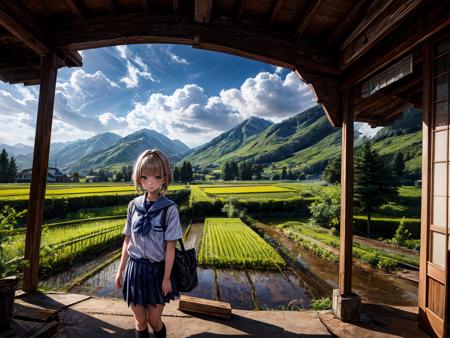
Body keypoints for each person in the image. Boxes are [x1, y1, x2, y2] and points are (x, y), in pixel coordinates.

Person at [115, 149, 182, 338]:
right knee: (140, 321)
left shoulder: (169, 210)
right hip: (134, 270)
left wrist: (167, 278)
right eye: (144, 177)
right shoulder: (133, 206)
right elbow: (127, 240)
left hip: (157, 271)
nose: (150, 182)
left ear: (164, 178)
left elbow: (170, 247)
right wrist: (120, 271)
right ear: (138, 178)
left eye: (156, 176)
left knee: (154, 320)